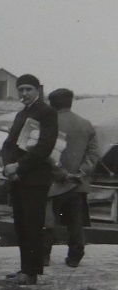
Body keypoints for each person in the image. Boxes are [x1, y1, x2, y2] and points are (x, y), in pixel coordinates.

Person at [1, 74, 58, 285]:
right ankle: (25, 269)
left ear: (37, 90)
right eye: (21, 89)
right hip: (17, 177)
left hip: (35, 179)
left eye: (28, 89)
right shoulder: (21, 114)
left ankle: (31, 273)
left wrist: (19, 166)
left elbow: (45, 146)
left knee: (32, 225)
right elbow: (8, 144)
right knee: (21, 226)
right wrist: (9, 167)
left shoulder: (47, 113)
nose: (24, 93)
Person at [42, 88, 99, 268]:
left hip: (52, 183)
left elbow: (46, 154)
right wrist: (80, 173)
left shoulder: (48, 123)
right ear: (71, 102)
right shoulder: (86, 124)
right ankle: (75, 257)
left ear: (51, 103)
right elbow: (93, 155)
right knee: (75, 222)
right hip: (77, 184)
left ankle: (43, 257)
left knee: (48, 221)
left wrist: (62, 173)